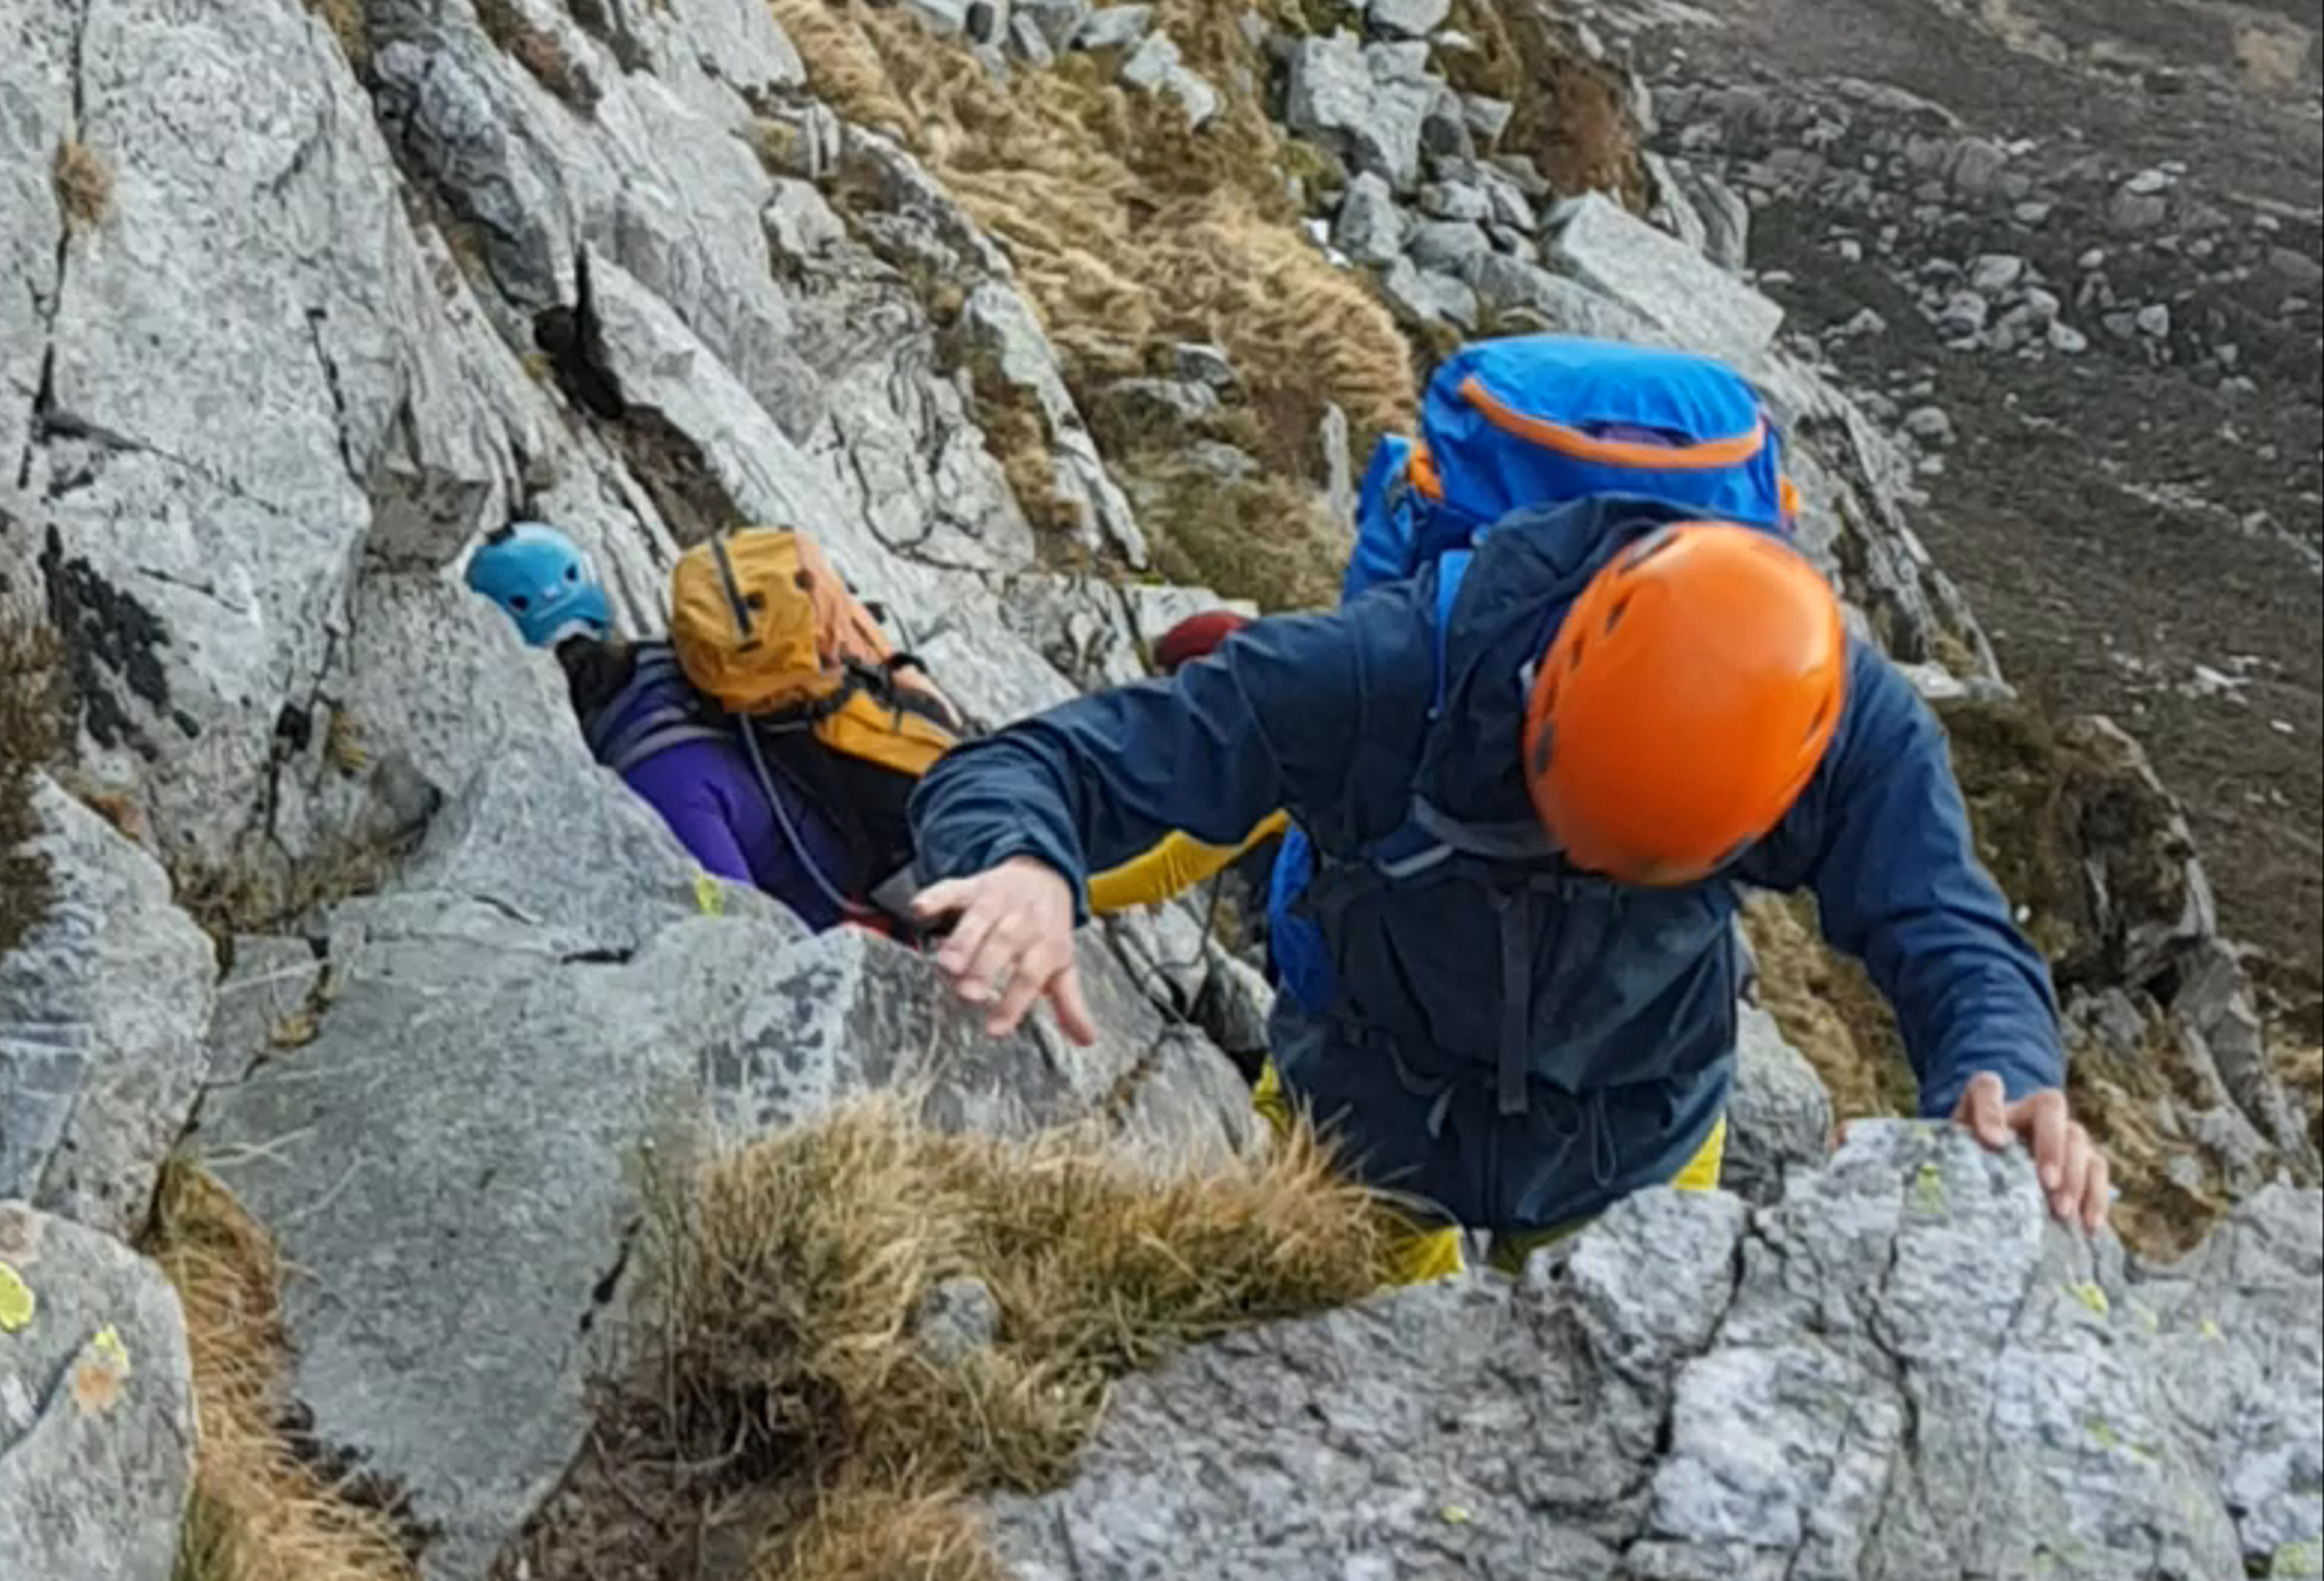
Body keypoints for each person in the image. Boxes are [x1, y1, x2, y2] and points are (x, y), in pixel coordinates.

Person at [911, 497, 2109, 1267]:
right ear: (1547, 682)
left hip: (1638, 1132)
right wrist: (1019, 859)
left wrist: (2005, 1072)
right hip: (1366, 1120)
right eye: (1572, 821)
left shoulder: (1843, 726)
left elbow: (1947, 926)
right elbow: (1036, 763)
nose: (1585, 862)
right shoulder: (1383, 674)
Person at [465, 524, 932, 930]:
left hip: (854, 921)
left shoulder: (652, 773)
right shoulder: (687, 664)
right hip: (886, 868)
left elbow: (736, 927)